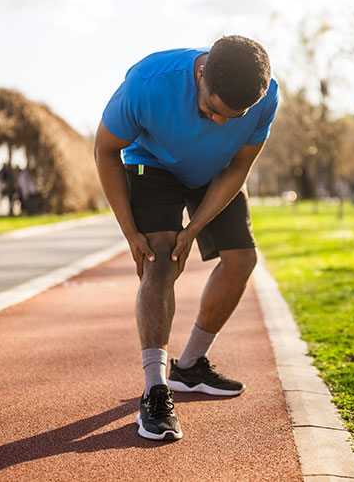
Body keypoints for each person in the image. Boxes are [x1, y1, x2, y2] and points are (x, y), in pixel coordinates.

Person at [94, 35, 278, 441]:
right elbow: (105, 149)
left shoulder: (266, 97)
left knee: (242, 259)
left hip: (217, 172)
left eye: (232, 117)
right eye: (212, 109)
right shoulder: (148, 83)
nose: (218, 122)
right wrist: (130, 232)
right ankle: (155, 391)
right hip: (154, 166)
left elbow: (240, 165)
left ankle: (190, 366)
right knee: (161, 259)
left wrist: (195, 228)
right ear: (201, 73)